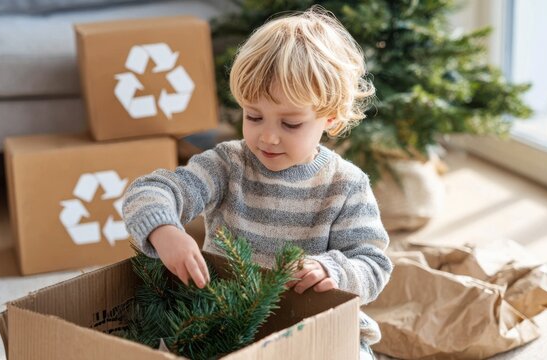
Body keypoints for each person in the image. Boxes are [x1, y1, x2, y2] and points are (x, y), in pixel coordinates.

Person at [122, 6, 392, 359]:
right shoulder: (227, 164)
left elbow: (372, 264)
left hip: (313, 328)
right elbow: (148, 191)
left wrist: (333, 270)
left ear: (331, 119)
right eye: (254, 116)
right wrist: (165, 231)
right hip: (228, 324)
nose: (268, 137)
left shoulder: (346, 185)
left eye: (290, 124)